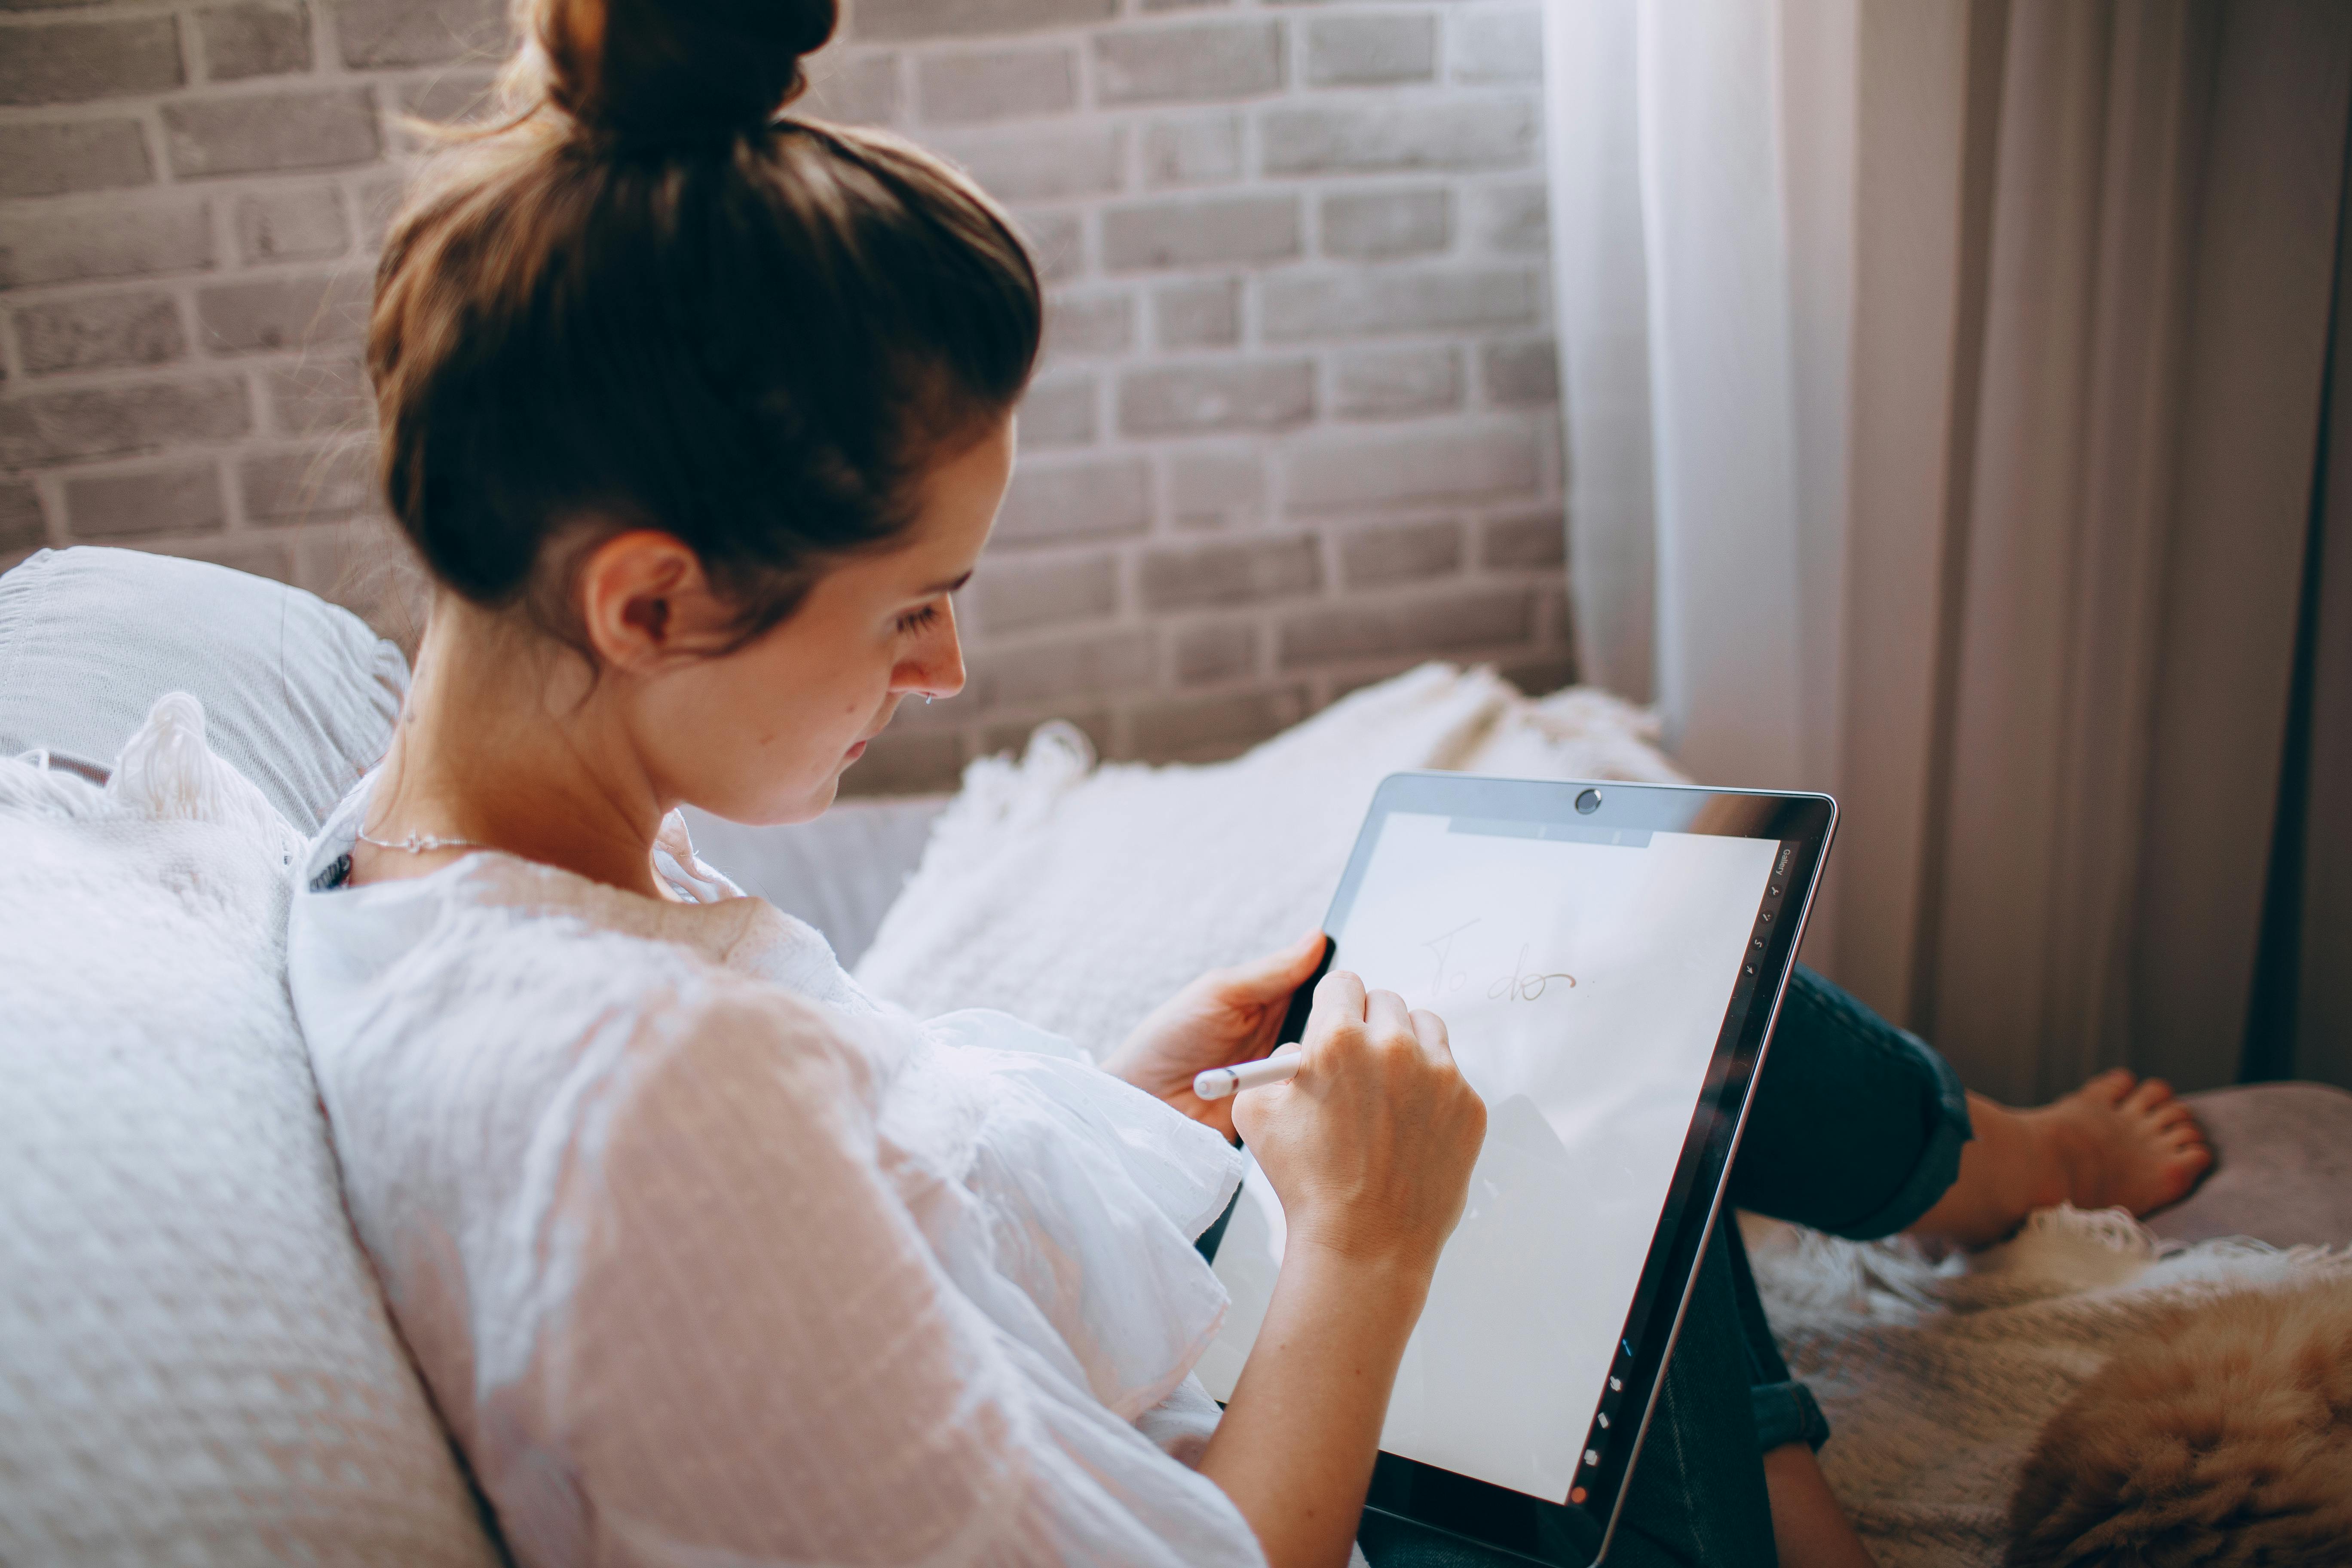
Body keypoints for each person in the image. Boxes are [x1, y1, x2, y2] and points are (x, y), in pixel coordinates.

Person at [286, 1, 2214, 1563]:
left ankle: (1913, 1257)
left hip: (1179, 1326)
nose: (944, 673)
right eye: (909, 607)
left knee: (1579, 996)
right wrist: (1368, 1244)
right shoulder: (634, 1105)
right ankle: (1911, 1292)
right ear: (649, 601)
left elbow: (897, 1244)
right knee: (1609, 1043)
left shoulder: (447, 869)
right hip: (1293, 1487)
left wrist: (1123, 1106)